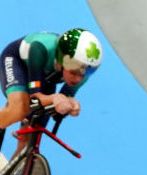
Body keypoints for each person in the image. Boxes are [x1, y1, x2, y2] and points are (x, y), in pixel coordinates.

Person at [0, 28, 102, 156]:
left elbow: (59, 106)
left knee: (34, 132)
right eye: (74, 70)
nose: (78, 78)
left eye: (86, 72)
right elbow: (34, 98)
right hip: (19, 62)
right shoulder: (40, 49)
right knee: (20, 108)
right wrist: (54, 99)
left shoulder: (82, 75)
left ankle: (14, 173)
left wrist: (70, 106)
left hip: (45, 76)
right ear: (62, 58)